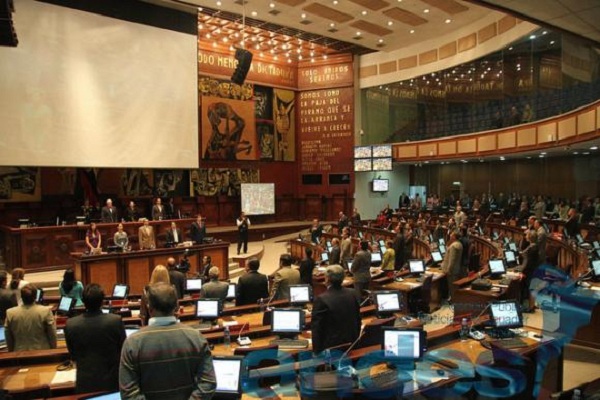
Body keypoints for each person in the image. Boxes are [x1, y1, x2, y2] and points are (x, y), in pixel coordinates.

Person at [119, 282, 216, 399]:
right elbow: (208, 383)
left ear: (149, 308)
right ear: (177, 306)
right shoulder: (196, 337)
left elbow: (129, 393)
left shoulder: (132, 343)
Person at [65, 284, 126, 394]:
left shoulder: (71, 324)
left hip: (85, 383)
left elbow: (72, 355)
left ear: (83, 301)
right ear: (102, 301)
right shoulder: (115, 321)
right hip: (112, 383)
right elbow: (123, 349)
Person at [311, 264, 361, 354]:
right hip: (351, 344)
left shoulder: (321, 299)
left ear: (327, 279)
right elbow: (358, 320)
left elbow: (317, 328)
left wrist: (316, 352)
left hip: (331, 348)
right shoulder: (352, 293)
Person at [5, 284, 57, 351]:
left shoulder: (10, 313)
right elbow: (52, 334)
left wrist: (11, 352)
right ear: (35, 297)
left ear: (21, 297)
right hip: (42, 352)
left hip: (19, 354)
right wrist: (53, 349)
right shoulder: (45, 311)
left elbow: (8, 337)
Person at [441, 232, 464, 301]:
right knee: (454, 287)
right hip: (456, 268)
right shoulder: (459, 244)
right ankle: (455, 299)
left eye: (451, 235)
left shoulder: (453, 246)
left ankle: (454, 301)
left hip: (452, 270)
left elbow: (452, 260)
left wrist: (449, 270)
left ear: (454, 237)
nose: (450, 236)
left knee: (452, 287)